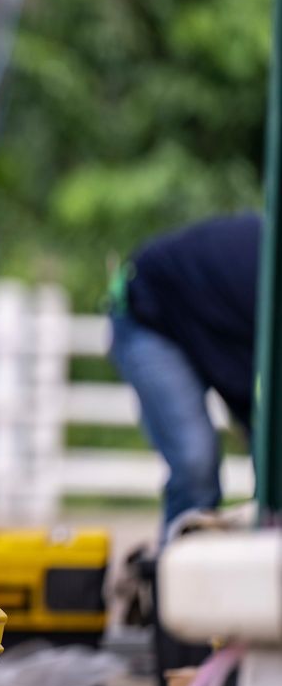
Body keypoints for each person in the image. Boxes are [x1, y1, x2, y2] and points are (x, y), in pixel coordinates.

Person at [108, 212, 261, 538]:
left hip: (218, 330)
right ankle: (172, 577)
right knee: (195, 462)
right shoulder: (262, 276)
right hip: (150, 315)